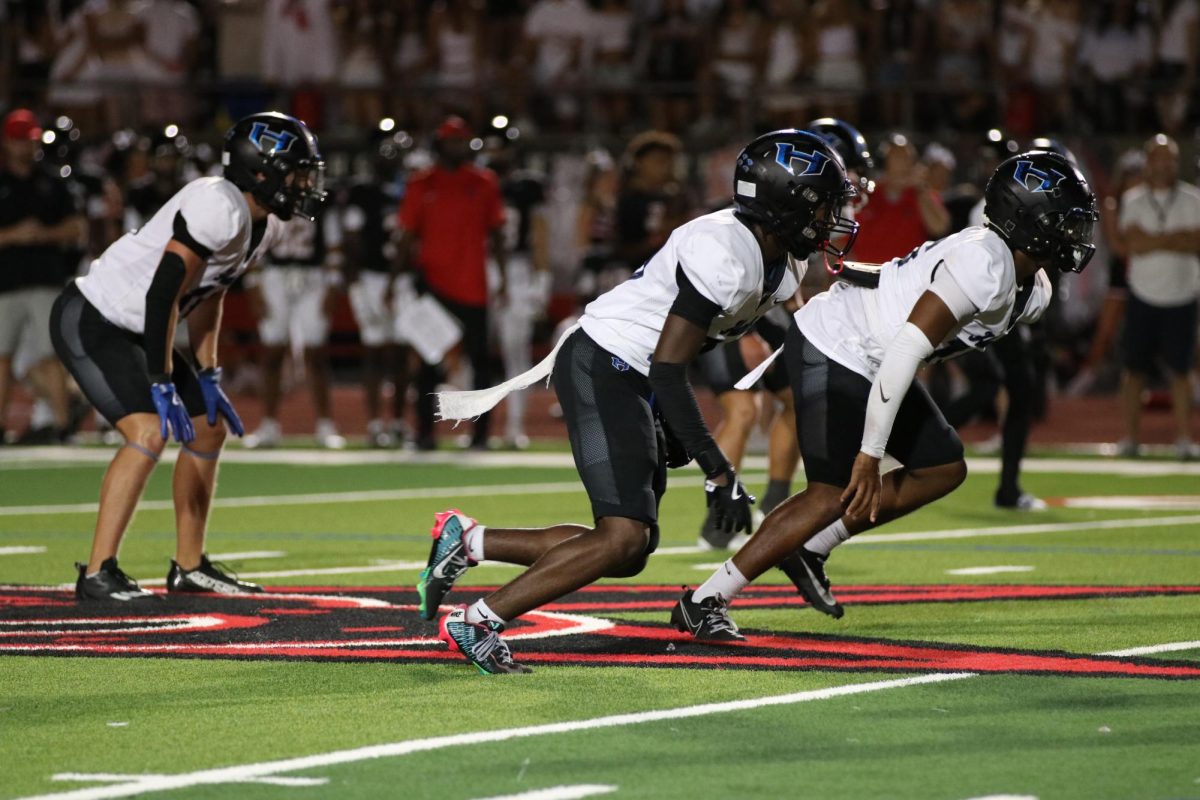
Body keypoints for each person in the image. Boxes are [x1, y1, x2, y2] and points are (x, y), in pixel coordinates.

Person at [421, 129, 859, 673]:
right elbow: (671, 368)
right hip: (606, 362)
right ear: (786, 206)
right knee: (621, 534)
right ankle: (479, 620)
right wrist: (717, 469)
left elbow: (792, 332)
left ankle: (469, 540)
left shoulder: (783, 258)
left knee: (629, 550)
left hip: (638, 373)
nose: (833, 220)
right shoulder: (724, 251)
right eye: (823, 207)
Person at [675, 150, 1097, 636]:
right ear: (1028, 220)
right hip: (837, 342)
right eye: (1064, 223)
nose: (1074, 235)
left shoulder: (1034, 289)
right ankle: (705, 598)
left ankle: (811, 548)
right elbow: (905, 350)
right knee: (831, 492)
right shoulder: (985, 263)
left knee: (942, 467)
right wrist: (870, 454)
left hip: (873, 354)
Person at [50, 111, 326, 601]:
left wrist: (210, 372)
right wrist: (160, 378)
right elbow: (163, 293)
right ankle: (97, 571)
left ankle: (191, 566)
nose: (304, 181)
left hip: (141, 327)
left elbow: (210, 295)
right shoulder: (216, 204)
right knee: (149, 431)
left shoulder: (265, 225)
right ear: (258, 171)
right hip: (96, 317)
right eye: (295, 169)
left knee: (207, 426)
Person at [395, 116, 507, 451]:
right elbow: (407, 235)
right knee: (428, 362)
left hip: (473, 284)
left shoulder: (485, 182)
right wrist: (394, 279)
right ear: (439, 144)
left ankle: (481, 434)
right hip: (433, 284)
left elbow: (497, 231)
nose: (458, 147)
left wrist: (502, 277)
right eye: (452, 141)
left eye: (462, 141)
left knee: (480, 363)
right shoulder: (421, 183)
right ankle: (425, 433)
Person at [0, 109, 86, 444]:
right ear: (8, 142)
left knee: (51, 356)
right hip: (6, 282)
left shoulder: (53, 181)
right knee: (2, 357)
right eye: (20, 139)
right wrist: (15, 234)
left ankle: (63, 427)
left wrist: (44, 234)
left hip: (45, 277)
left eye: (30, 139)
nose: (26, 146)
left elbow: (76, 227)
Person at [1116, 134, 1200, 460]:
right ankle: (1130, 438)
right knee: (1133, 370)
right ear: (1148, 163)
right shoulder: (1133, 199)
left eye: (1170, 159)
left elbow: (1195, 242)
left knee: (1181, 371)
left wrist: (1153, 240)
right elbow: (1130, 244)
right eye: (1159, 159)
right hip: (1142, 294)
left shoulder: (1193, 199)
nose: (1165, 165)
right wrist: (1175, 239)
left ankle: (1184, 439)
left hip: (1182, 295)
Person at [242, 209, 346, 450]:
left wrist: (333, 283)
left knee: (316, 353)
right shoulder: (270, 201)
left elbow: (334, 246)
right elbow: (255, 244)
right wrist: (253, 283)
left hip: (312, 276)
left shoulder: (324, 203)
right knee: (272, 352)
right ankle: (268, 425)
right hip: (275, 276)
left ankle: (325, 425)